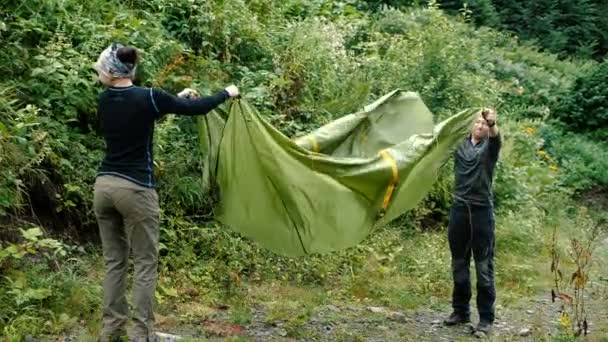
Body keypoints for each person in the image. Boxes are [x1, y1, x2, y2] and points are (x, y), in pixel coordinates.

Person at [92, 43, 239, 342]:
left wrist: (175, 99)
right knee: (145, 262)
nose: (99, 74)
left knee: (114, 261)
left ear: (110, 72)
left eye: (100, 69)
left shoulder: (105, 99)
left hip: (104, 187)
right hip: (135, 190)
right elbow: (195, 108)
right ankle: (141, 334)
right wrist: (227, 92)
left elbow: (138, 119)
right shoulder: (148, 97)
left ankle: (111, 331)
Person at [443, 108, 501, 335]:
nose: (481, 126)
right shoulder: (459, 145)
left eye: (485, 124)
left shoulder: (490, 148)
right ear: (471, 125)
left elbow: (497, 138)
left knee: (484, 267)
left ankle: (485, 319)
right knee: (459, 263)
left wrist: (493, 122)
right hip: (459, 210)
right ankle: (460, 312)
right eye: (478, 122)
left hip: (481, 213)